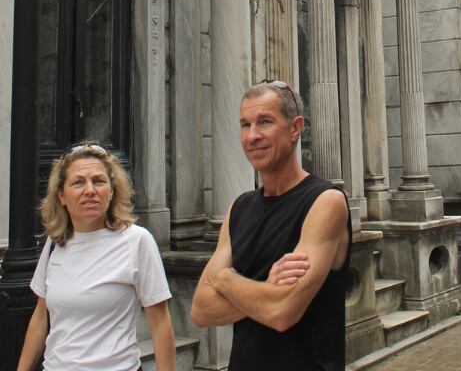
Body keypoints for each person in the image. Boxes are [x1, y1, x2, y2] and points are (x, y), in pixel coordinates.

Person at [191, 80, 351, 370]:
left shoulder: (325, 202)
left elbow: (281, 313)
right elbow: (201, 309)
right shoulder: (238, 209)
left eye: (264, 122)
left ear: (295, 128)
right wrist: (266, 287)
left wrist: (226, 280)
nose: (252, 136)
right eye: (245, 125)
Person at [18, 142, 177, 371]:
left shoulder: (136, 241)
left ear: (111, 191)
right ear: (61, 195)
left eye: (99, 181)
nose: (90, 190)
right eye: (78, 182)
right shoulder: (55, 244)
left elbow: (160, 323)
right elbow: (41, 316)